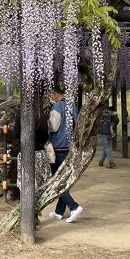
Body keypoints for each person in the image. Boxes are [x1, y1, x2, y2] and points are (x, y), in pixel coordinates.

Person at [47, 86, 84, 223]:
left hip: (58, 146)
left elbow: (53, 126)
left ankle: (74, 206)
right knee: (63, 177)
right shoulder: (71, 105)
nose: (50, 98)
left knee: (57, 180)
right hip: (69, 146)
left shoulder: (57, 106)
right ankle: (59, 211)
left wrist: (47, 122)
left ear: (54, 94)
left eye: (50, 95)